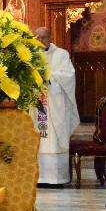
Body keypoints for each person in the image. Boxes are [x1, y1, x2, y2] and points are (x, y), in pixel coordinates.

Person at [31, 27, 80, 185]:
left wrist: (48, 77)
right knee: (37, 138)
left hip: (55, 102)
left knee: (53, 140)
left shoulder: (61, 54)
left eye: (44, 37)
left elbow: (68, 76)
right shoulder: (30, 55)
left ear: (51, 38)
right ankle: (37, 177)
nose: (40, 41)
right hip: (36, 102)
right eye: (37, 37)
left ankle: (57, 178)